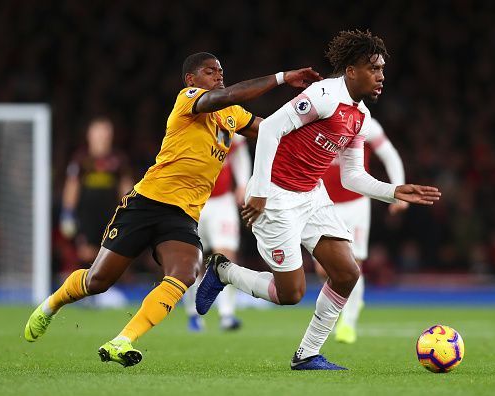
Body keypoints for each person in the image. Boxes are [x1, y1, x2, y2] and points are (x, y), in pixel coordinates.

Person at [24, 51, 321, 367]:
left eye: (221, 71)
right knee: (98, 281)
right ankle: (51, 305)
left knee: (186, 272)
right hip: (147, 202)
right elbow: (228, 94)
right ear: (191, 79)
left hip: (181, 216)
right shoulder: (189, 98)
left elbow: (272, 130)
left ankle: (121, 341)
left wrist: (316, 120)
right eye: (210, 71)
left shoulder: (231, 113)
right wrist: (281, 78)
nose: (219, 75)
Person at [195, 30, 441, 370]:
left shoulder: (361, 117)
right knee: (290, 294)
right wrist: (261, 191)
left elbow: (350, 176)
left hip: (312, 195)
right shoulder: (323, 94)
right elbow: (269, 130)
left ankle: (307, 354)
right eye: (374, 68)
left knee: (346, 272)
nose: (381, 76)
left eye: (383, 69)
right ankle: (223, 272)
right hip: (277, 196)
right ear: (352, 70)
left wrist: (393, 191)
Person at [317, 117, 408, 344]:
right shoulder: (317, 118)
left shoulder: (366, 122)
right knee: (322, 269)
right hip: (322, 203)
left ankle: (348, 322)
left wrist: (398, 188)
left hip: (355, 204)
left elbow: (390, 154)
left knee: (353, 264)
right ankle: (347, 303)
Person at [59, 117, 133, 307]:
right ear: (89, 135)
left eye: (105, 133)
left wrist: (131, 210)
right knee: (85, 253)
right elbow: (72, 186)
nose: (102, 137)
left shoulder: (118, 160)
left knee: (108, 253)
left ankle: (100, 292)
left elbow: (125, 188)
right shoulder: (81, 159)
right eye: (98, 133)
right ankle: (83, 293)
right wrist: (67, 212)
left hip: (110, 215)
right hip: (86, 216)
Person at [184, 133, 251, 331]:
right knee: (191, 262)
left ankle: (227, 314)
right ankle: (193, 315)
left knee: (225, 258)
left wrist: (242, 183)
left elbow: (239, 152)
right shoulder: (187, 122)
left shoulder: (227, 120)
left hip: (222, 202)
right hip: (193, 202)